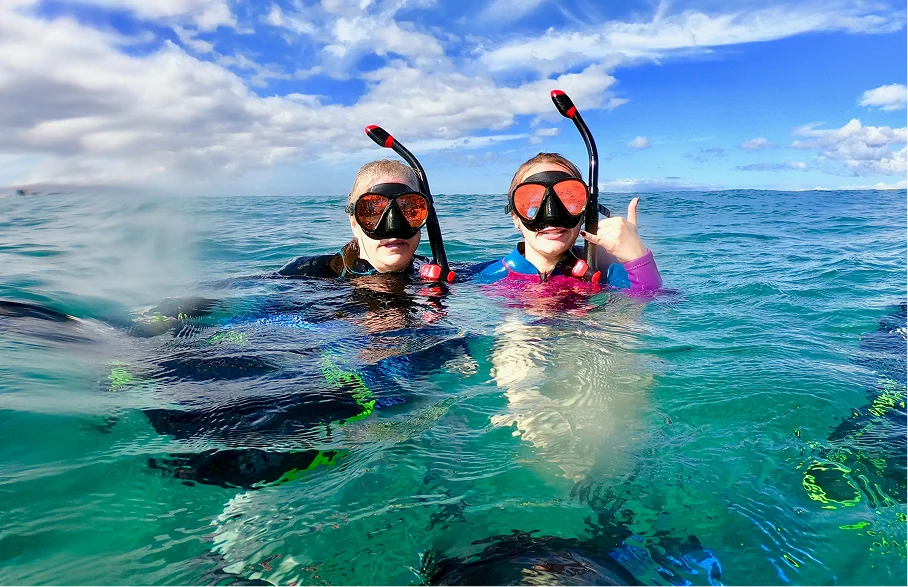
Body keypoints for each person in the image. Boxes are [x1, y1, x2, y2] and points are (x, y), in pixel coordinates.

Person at [478, 153, 662, 292]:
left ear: (585, 213)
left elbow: (652, 302)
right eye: (533, 206)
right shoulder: (487, 277)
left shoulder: (606, 270)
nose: (552, 216)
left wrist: (637, 258)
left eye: (569, 203)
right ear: (516, 218)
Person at [278, 159, 435, 278]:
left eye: (409, 210)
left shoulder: (437, 274)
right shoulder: (305, 274)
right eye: (373, 212)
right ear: (354, 223)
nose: (394, 226)